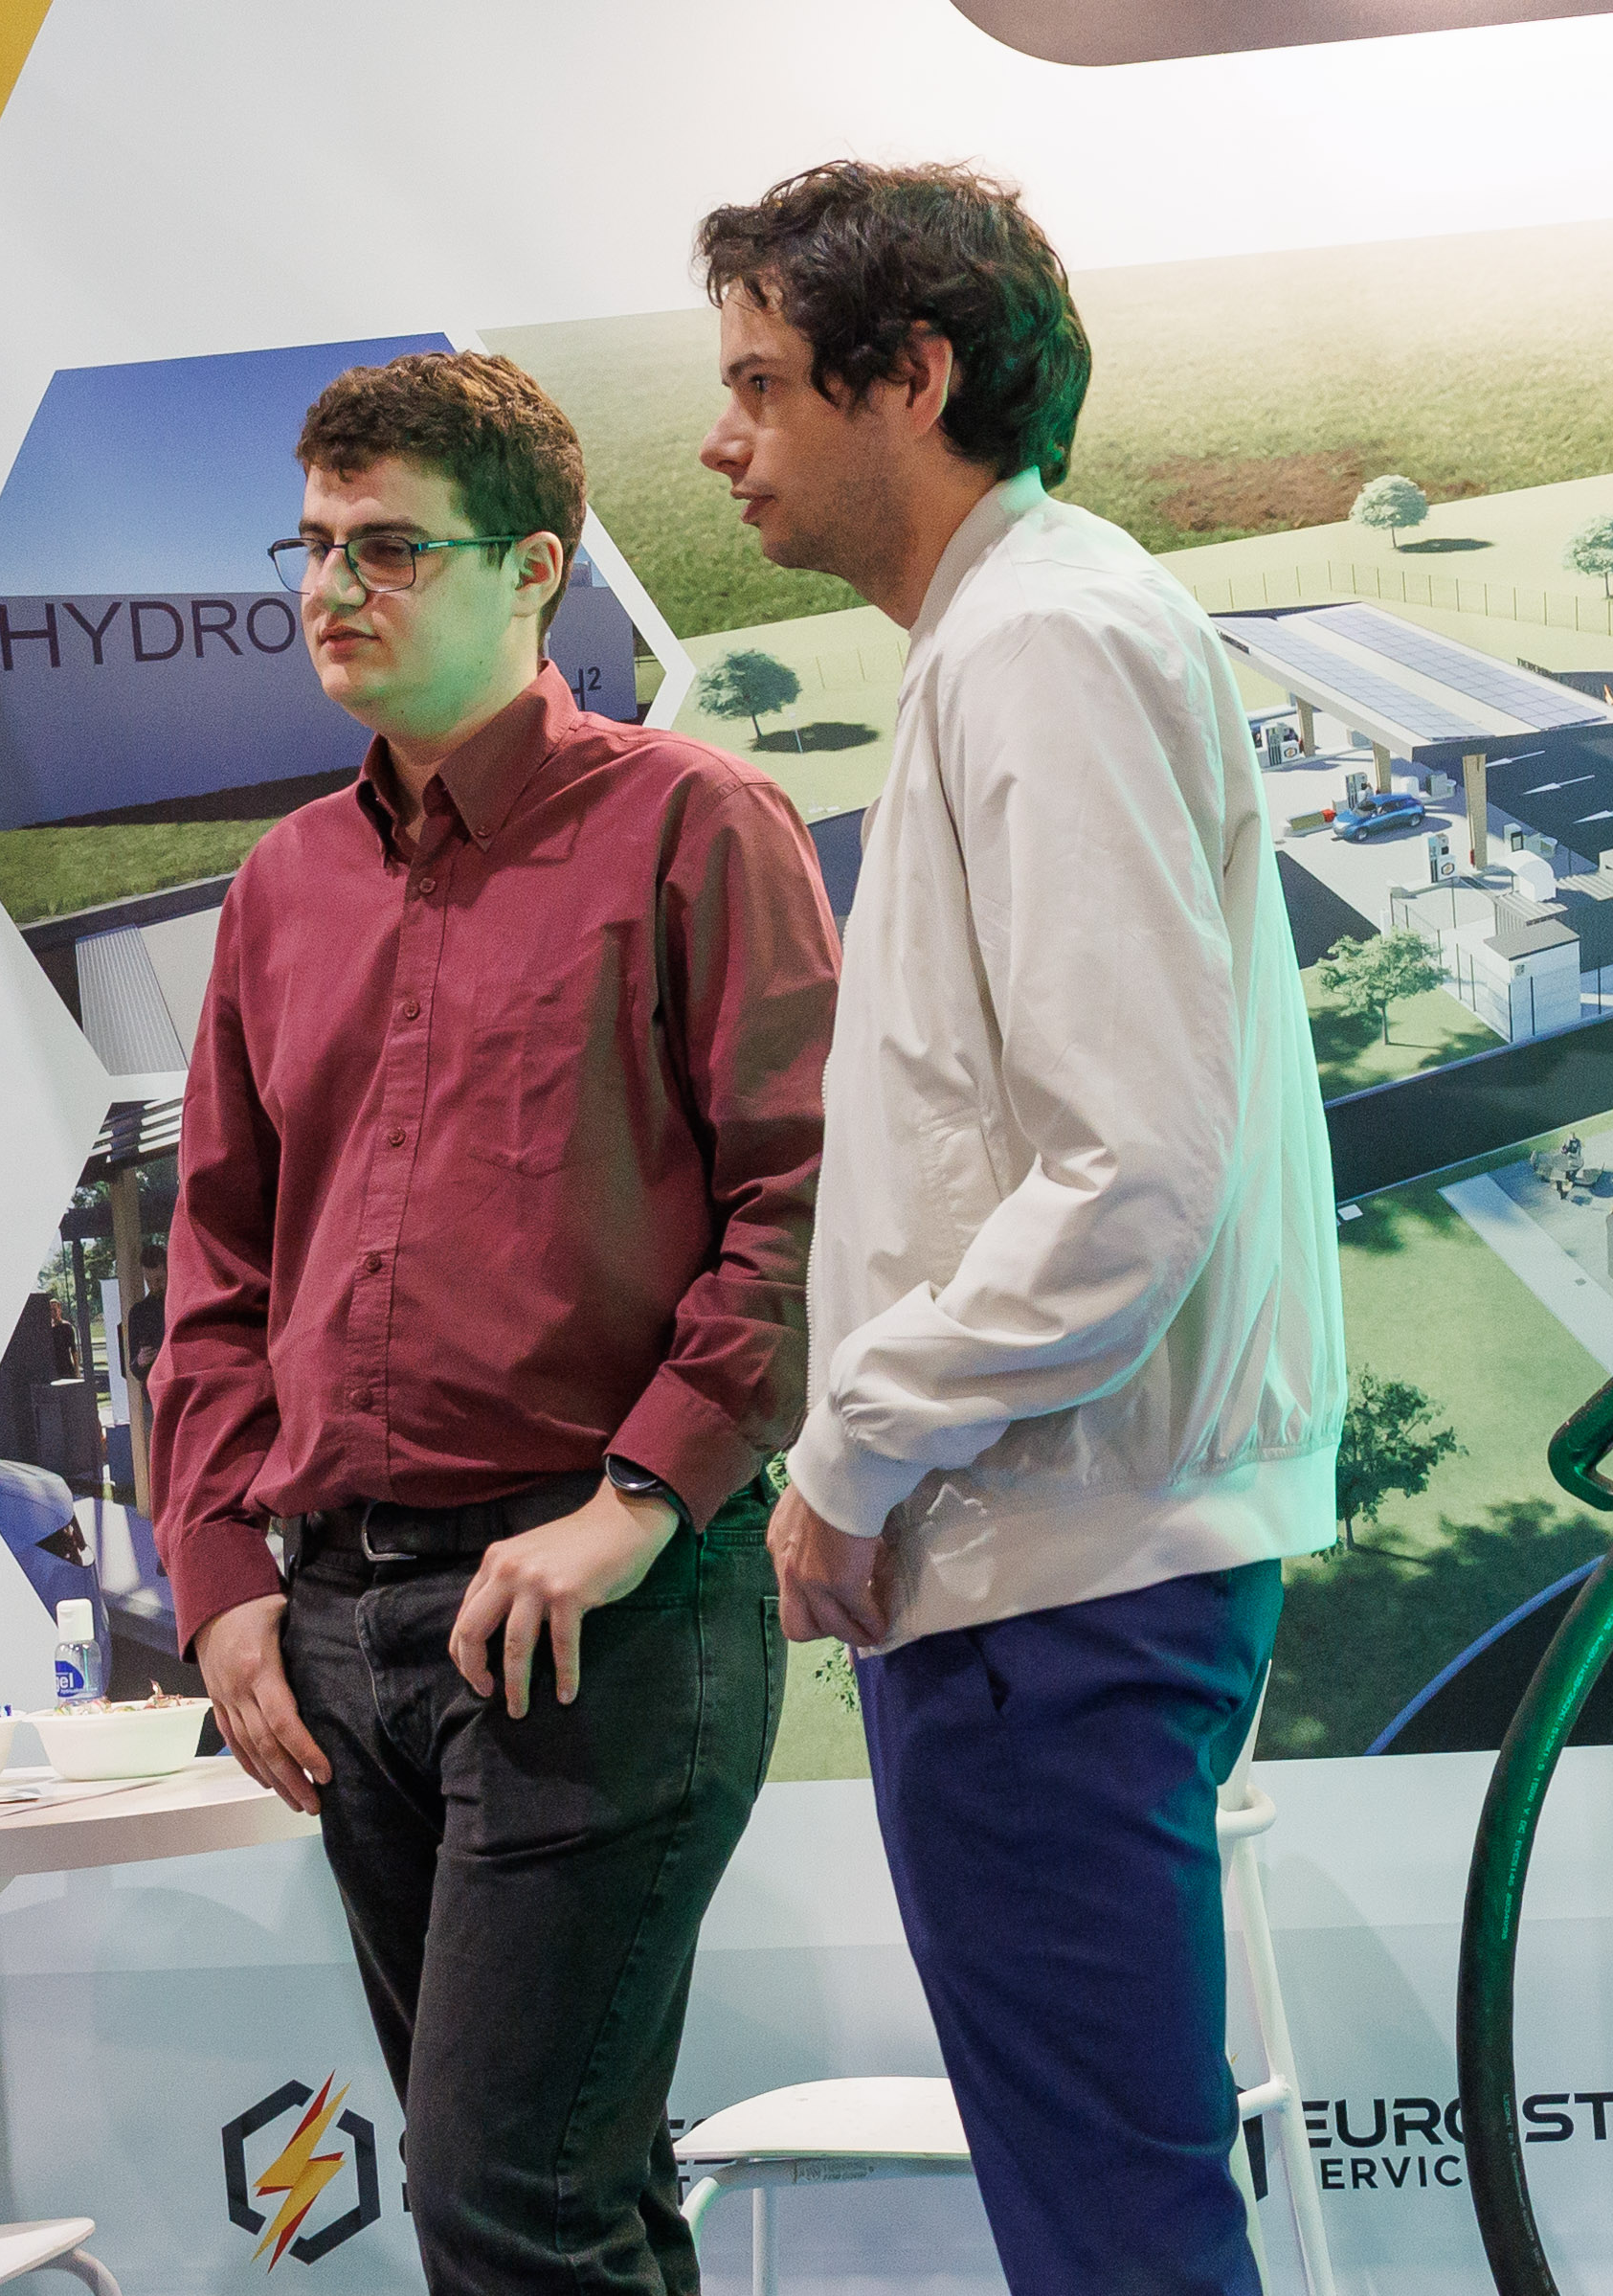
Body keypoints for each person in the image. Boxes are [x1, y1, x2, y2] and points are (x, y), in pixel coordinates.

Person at [695, 163, 1345, 2294]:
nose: (719, 439)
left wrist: (855, 1443)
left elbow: (1125, 1168)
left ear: (912, 376)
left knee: (1117, 2241)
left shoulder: (1042, 637)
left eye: (764, 384)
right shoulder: (1010, 631)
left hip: (1053, 1572)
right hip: (1049, 1564)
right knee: (1110, 2226)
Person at [148, 349, 836, 2293]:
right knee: (570, 2201)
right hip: (342, 1625)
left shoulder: (696, 824)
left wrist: (639, 1498)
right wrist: (222, 1578)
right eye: (312, 546)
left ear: (535, 569)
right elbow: (217, 1266)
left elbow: (806, 1199)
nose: (329, 589)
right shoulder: (285, 884)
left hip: (600, 1608)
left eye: (387, 548)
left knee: (505, 2203)